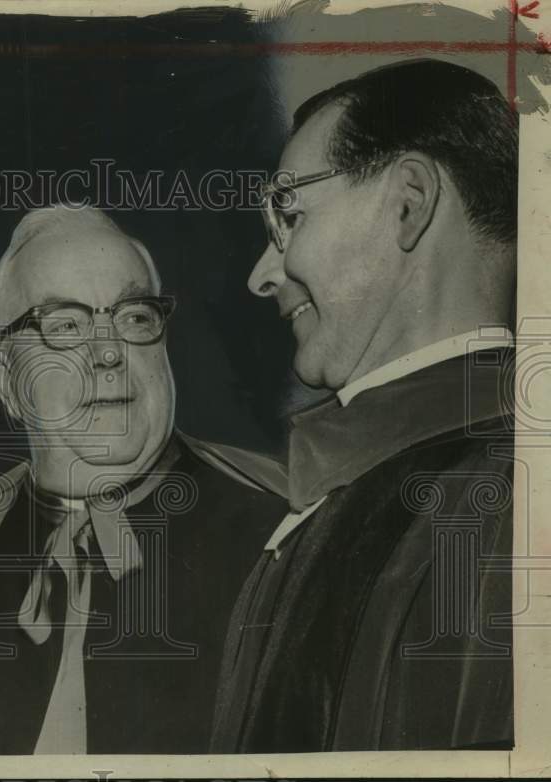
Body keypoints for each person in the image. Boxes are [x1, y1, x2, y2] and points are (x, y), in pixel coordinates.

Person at [0, 205, 287, 755]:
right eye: (65, 325)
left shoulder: (286, 533)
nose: (109, 351)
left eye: (135, 316)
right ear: (7, 382)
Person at [209, 59, 517, 752]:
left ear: (408, 202)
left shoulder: (509, 497)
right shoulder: (353, 487)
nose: (263, 274)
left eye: (288, 215)